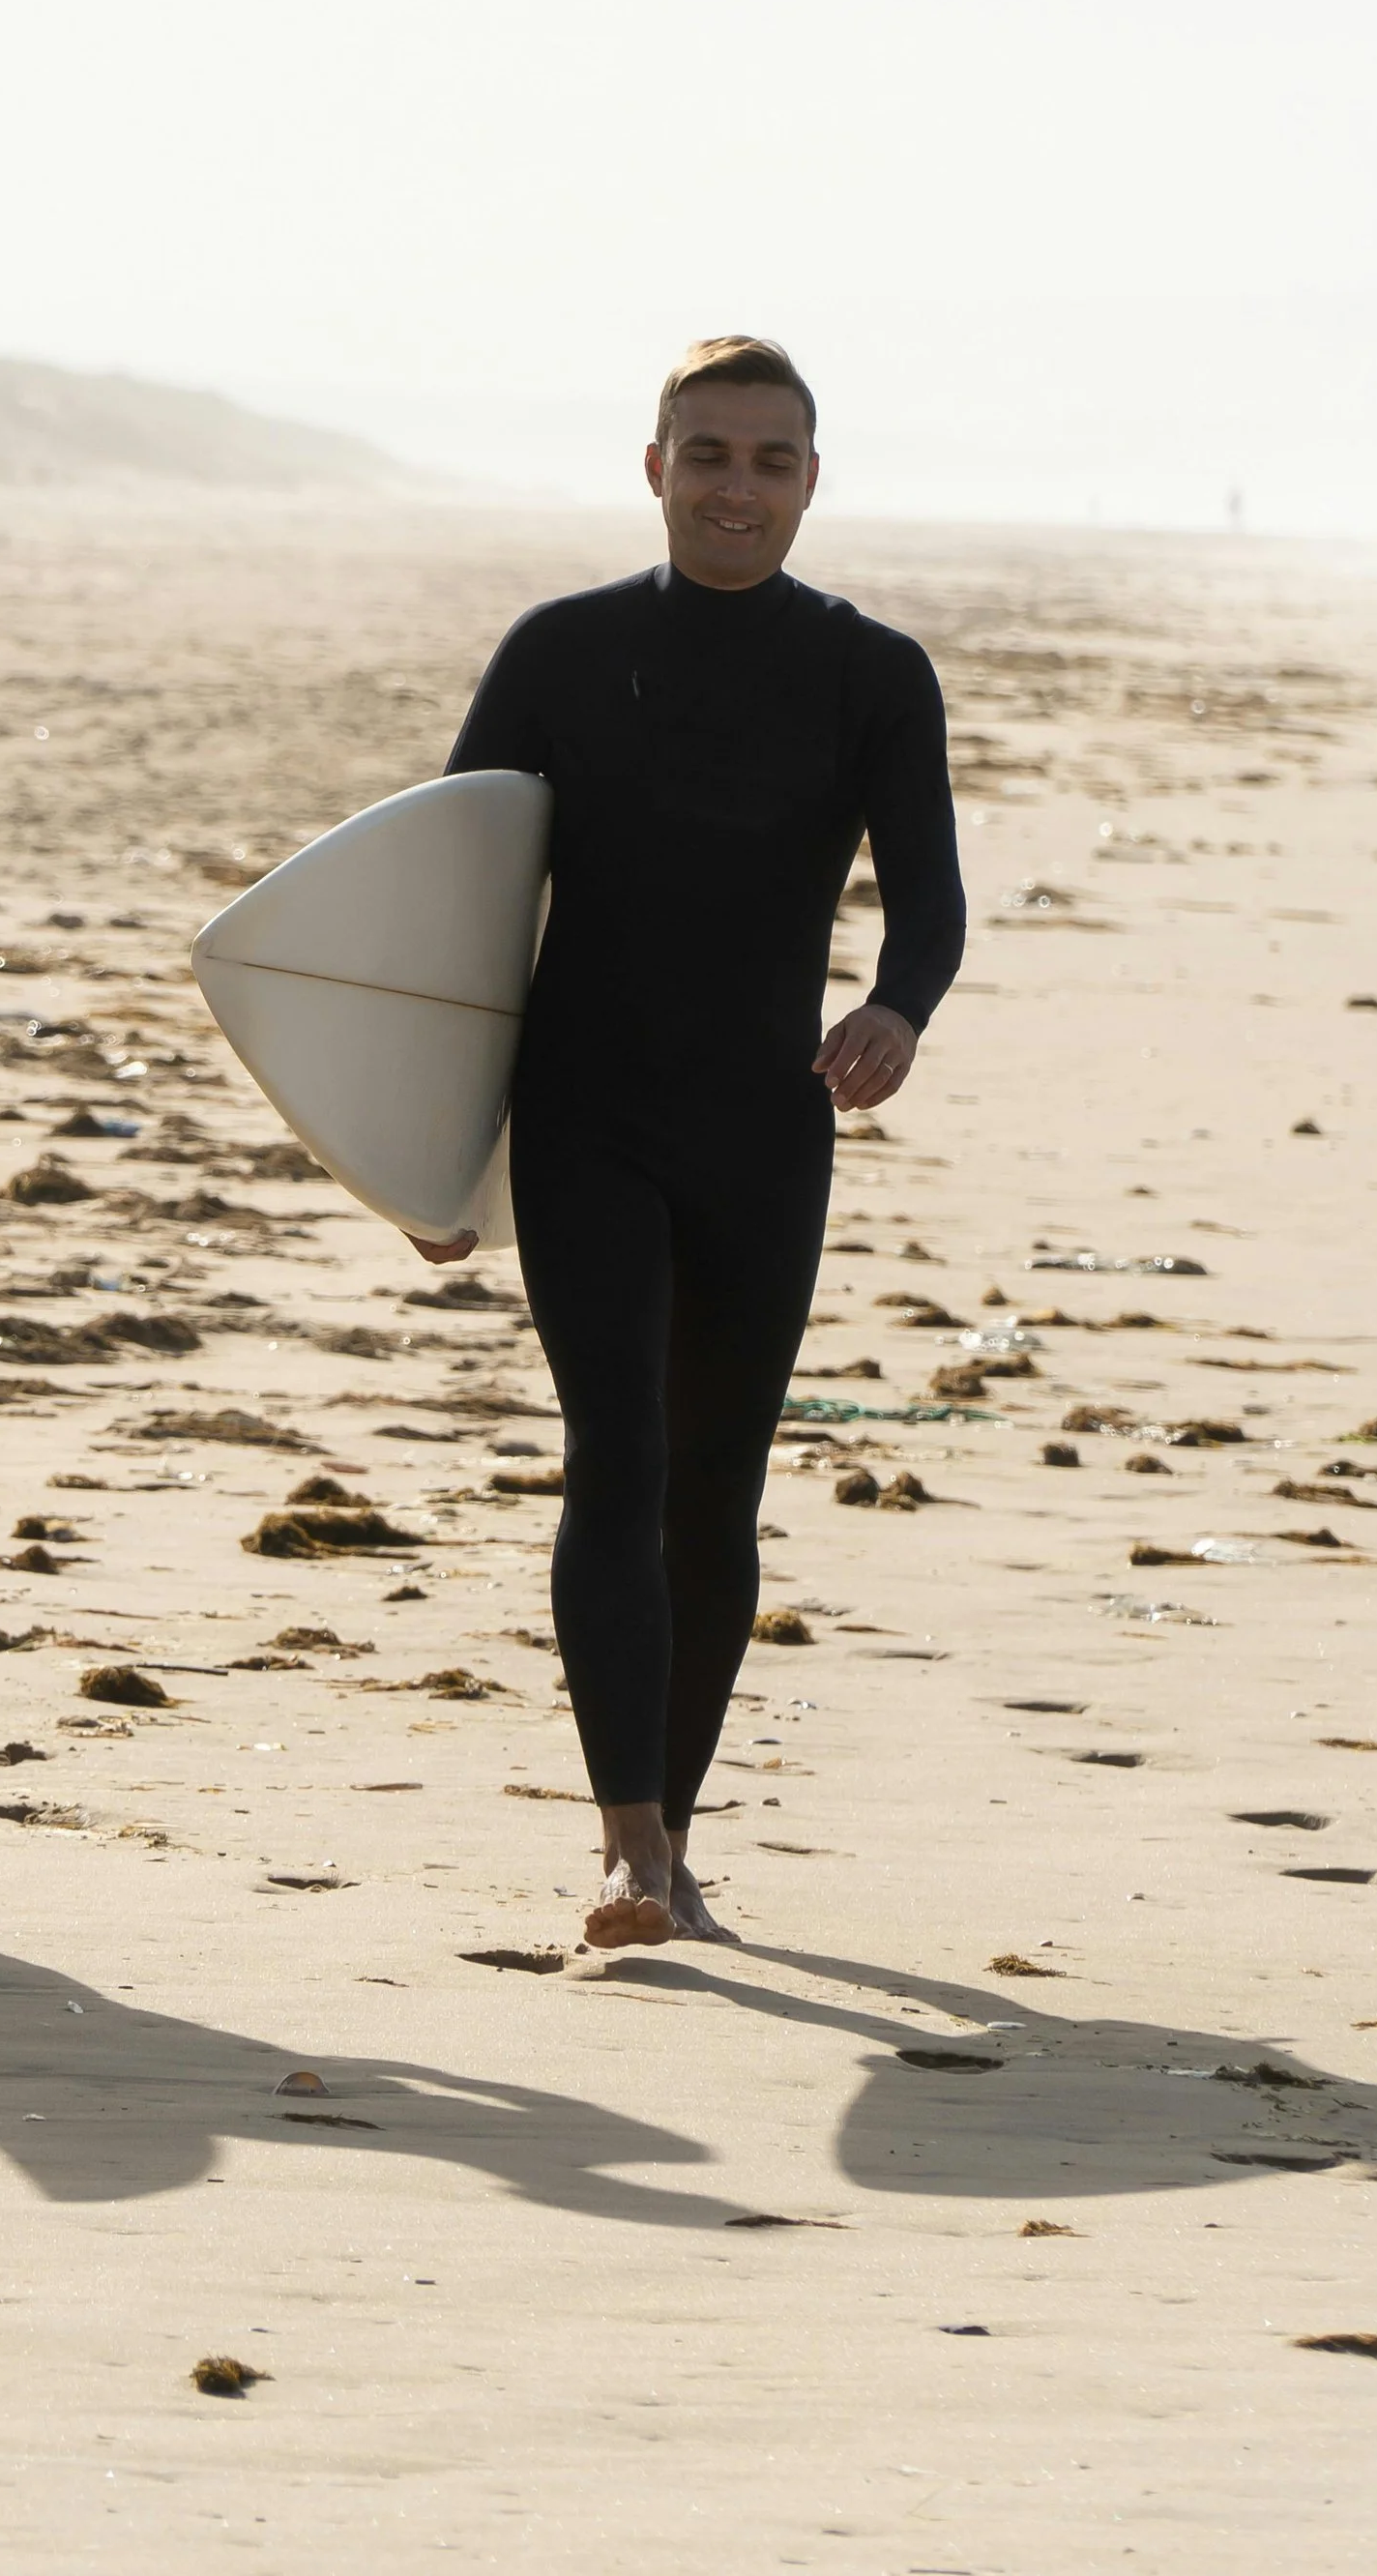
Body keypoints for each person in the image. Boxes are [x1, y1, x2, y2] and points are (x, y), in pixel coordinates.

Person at [423, 337, 964, 1949]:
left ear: (811, 481)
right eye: (709, 455)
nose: (739, 487)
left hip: (763, 1122)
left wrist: (897, 1006)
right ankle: (630, 1848)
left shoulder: (873, 674)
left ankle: (683, 1825)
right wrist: (435, 1152)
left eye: (771, 460)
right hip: (583, 1110)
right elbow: (451, 906)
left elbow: (926, 893)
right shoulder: (561, 653)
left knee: (717, 1486)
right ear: (654, 467)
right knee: (620, 1451)